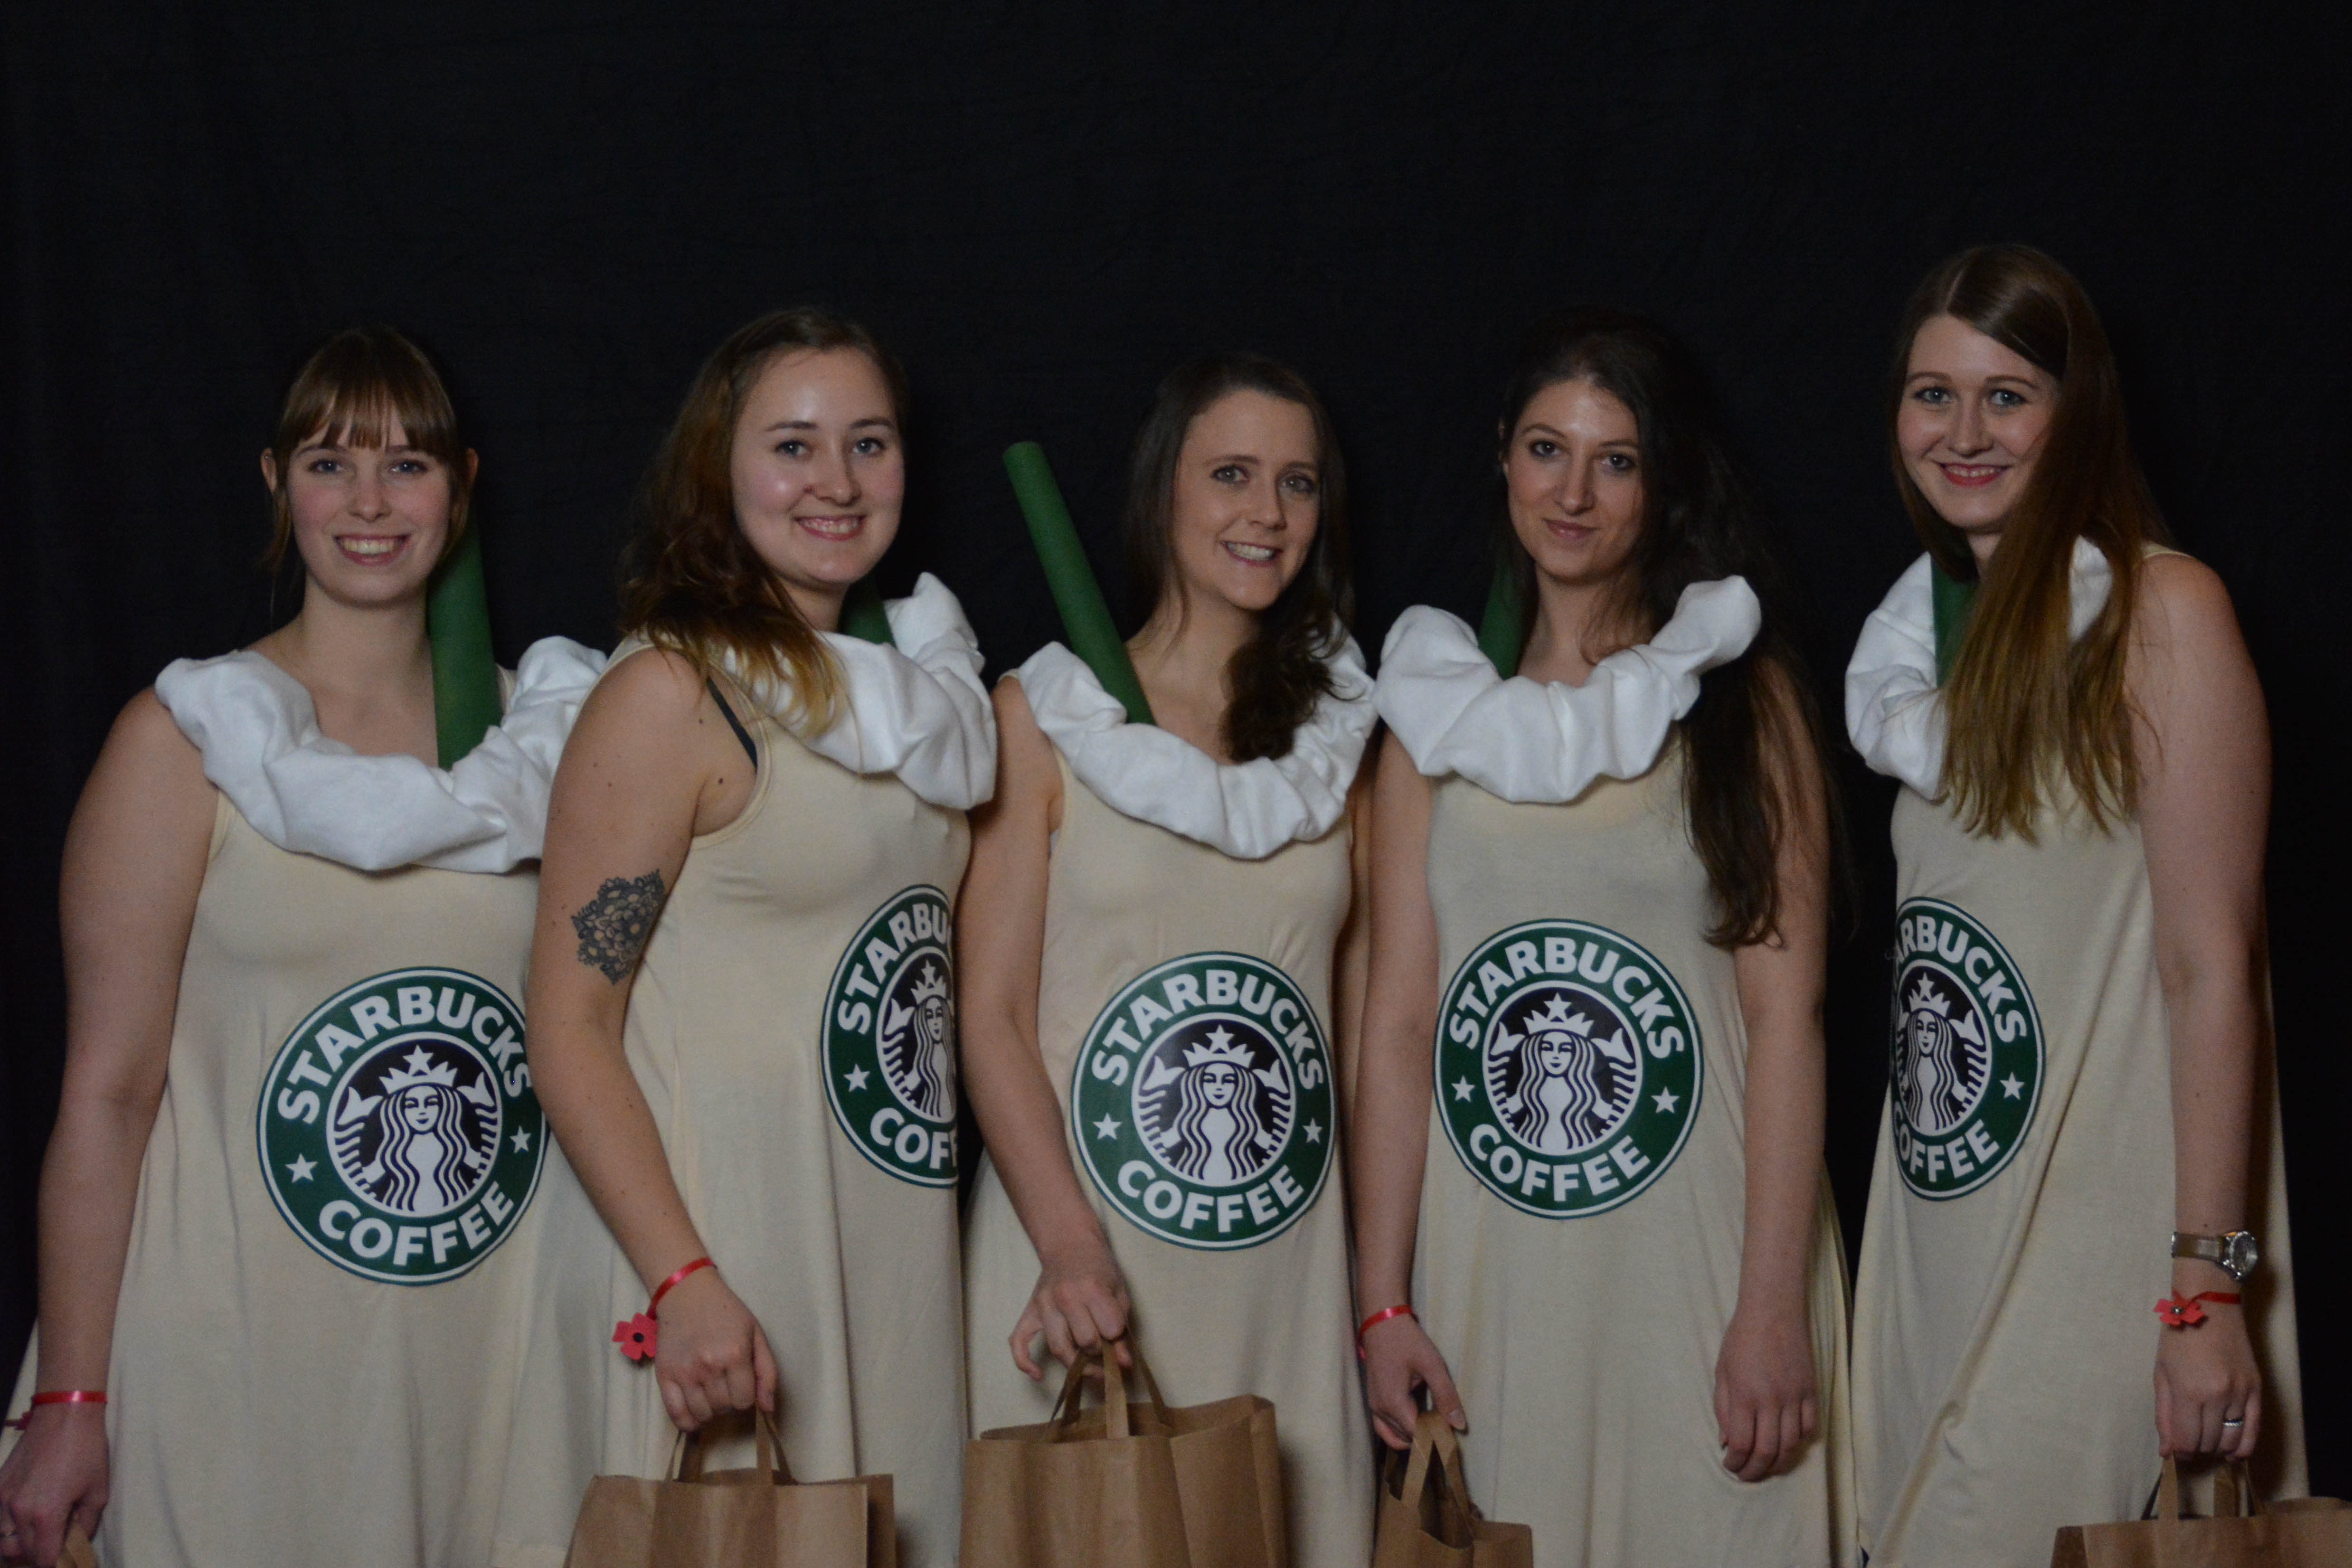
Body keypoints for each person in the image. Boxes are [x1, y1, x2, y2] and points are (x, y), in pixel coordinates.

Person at [0, 327, 602, 1568]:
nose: (370, 502)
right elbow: (108, 1093)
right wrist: (69, 1395)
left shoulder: (558, 744)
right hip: (232, 1361)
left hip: (482, 1361)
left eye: (407, 464)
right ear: (278, 481)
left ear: (462, 486)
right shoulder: (181, 743)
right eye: (332, 464)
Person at [489, 308, 993, 1568]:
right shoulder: (673, 693)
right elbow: (568, 1025)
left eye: (869, 442)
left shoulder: (921, 706)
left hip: (882, 1256)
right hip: (722, 1263)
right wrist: (682, 1281)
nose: (837, 482)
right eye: (792, 445)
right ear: (718, 468)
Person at [1353, 311, 1853, 1568]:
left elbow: (1784, 1017)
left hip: (1697, 1263)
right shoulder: (1430, 722)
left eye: (1614, 460)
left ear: (1663, 480)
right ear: (1502, 459)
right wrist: (1381, 1302)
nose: (1572, 492)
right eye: (1546, 449)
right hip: (1495, 1274)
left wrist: (1770, 1307)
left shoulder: (1740, 702)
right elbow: (1399, 1027)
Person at [1845, 244, 2305, 1562]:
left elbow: (2209, 966)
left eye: (2007, 395)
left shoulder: (2163, 610)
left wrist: (2203, 1290)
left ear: (2078, 409)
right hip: (1935, 1242)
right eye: (1932, 394)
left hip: (2099, 1253)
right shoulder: (1932, 654)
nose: (1963, 432)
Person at [959, 354, 1376, 1567]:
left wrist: (1381, 1292)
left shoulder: (1346, 739)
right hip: (1082, 1257)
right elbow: (990, 1015)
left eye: (1297, 482)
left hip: (1284, 1270)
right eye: (1230, 474)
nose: (1266, 512)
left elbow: (1358, 1043)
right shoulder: (1043, 716)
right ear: (1163, 492)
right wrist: (1067, 1244)